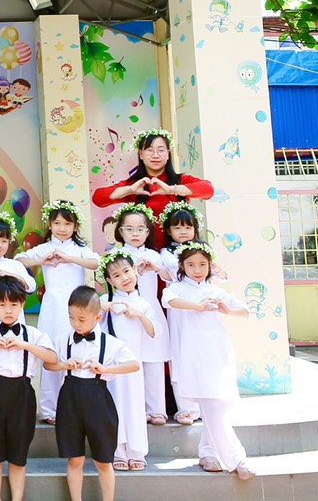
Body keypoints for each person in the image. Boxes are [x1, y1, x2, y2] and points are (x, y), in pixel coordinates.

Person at [45, 286, 139, 501]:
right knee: (74, 458)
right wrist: (64, 364)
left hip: (99, 401)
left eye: (81, 319)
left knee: (104, 460)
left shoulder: (110, 343)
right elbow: (48, 365)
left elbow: (133, 364)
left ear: (97, 317)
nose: (75, 324)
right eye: (71, 318)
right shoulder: (63, 339)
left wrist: (105, 369)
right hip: (70, 401)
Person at [162, 241, 255, 481]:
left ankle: (207, 453)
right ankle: (236, 459)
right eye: (191, 264)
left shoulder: (216, 291)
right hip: (194, 354)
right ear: (182, 266)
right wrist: (198, 306)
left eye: (203, 264)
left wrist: (227, 310)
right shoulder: (177, 288)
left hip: (219, 351)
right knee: (212, 405)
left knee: (219, 405)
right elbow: (168, 301)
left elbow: (244, 310)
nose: (197, 269)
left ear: (210, 265)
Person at [0, 276, 56, 501]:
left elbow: (52, 358)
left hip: (22, 393)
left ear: (22, 304)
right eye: (2, 305)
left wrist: (26, 345)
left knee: (18, 454)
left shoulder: (33, 334)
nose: (8, 310)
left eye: (13, 304)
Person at [16, 201, 99, 424]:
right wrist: (41, 260)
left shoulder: (80, 249)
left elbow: (96, 262)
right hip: (52, 307)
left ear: (75, 226)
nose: (62, 228)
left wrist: (69, 258)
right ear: (50, 225)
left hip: (77, 306)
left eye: (67, 224)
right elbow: (19, 260)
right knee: (52, 353)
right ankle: (49, 409)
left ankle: (76, 409)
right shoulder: (45, 248)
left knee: (77, 353)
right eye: (57, 223)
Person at [91, 129, 214, 251]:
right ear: (141, 154)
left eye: (161, 150)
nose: (155, 155)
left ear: (168, 154)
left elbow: (208, 190)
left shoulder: (180, 180)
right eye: (149, 150)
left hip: (178, 252)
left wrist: (171, 189)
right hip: (145, 254)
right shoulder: (135, 185)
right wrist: (130, 190)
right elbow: (98, 198)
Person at [97, 249, 160, 472]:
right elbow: (90, 319)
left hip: (134, 364)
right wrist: (101, 306)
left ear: (135, 270)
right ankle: (118, 451)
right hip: (111, 365)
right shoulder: (105, 301)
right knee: (114, 406)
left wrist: (139, 315)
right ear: (109, 281)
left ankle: (136, 452)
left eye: (126, 271)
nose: (124, 278)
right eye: (116, 275)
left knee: (134, 406)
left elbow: (153, 332)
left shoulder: (143, 303)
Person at [109, 205, 171, 426]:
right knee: (130, 360)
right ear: (120, 231)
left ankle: (157, 410)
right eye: (129, 229)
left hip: (150, 311)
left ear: (148, 231)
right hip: (125, 313)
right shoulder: (115, 255)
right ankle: (136, 409)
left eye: (140, 229)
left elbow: (171, 276)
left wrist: (156, 268)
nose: (135, 234)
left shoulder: (154, 255)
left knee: (154, 360)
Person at [157, 203, 213, 425]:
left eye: (188, 227)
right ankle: (186, 408)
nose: (183, 232)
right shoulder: (166, 253)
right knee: (180, 355)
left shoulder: (203, 251)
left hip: (204, 310)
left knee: (204, 355)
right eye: (177, 227)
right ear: (168, 230)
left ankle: (206, 404)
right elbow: (174, 269)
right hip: (180, 311)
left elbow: (218, 273)